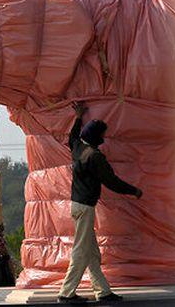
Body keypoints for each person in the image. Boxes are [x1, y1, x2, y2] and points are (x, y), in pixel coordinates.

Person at [58, 102, 143, 304]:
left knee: (92, 252)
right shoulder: (95, 157)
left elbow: (72, 136)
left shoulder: (77, 147)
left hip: (78, 205)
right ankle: (66, 293)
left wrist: (78, 116)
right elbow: (111, 181)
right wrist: (134, 190)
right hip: (86, 207)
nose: (104, 139)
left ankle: (103, 291)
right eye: (102, 135)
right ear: (97, 137)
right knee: (80, 250)